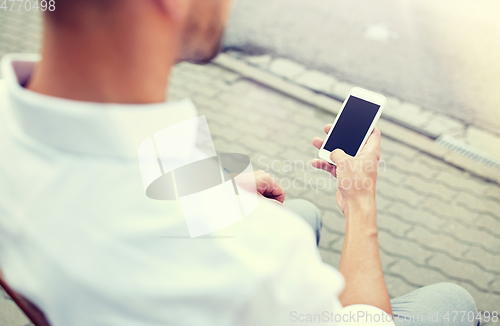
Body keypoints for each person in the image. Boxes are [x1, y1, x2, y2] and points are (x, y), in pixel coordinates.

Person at [0, 0, 478, 325]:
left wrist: (222, 184)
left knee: (302, 215)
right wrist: (360, 203)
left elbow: (104, 173)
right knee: (453, 301)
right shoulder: (252, 261)